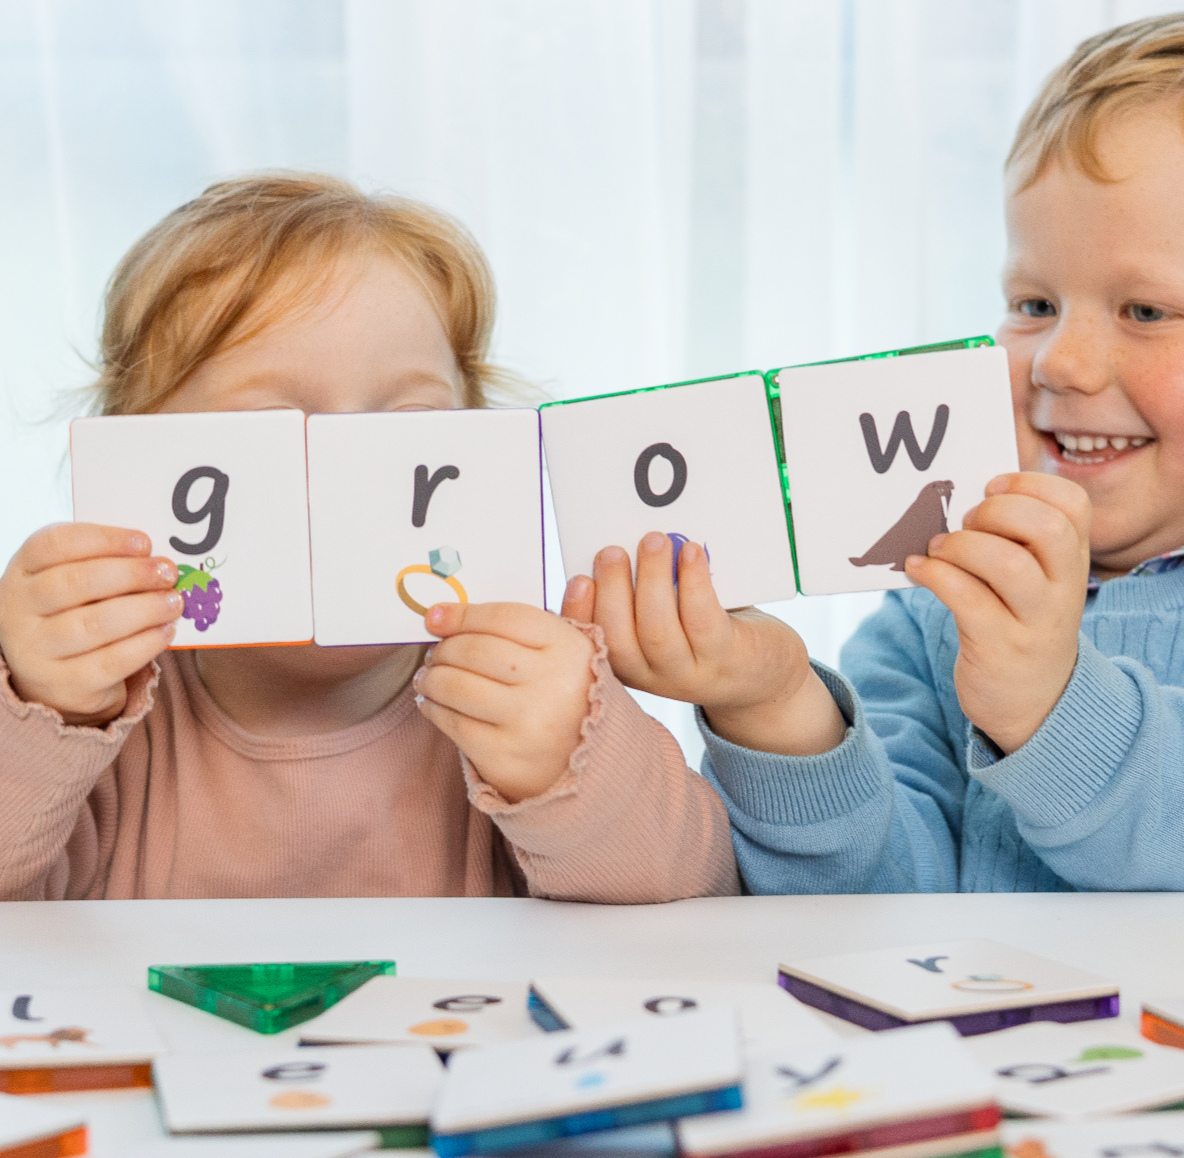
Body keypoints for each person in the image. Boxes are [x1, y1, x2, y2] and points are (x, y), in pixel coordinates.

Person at [569, 4, 1184, 894]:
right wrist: (775, 709)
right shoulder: (935, 606)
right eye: (1033, 305)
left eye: (1144, 311)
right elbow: (875, 895)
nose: (1059, 362)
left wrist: (1052, 708)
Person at [0, 173, 737, 902]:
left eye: (407, 422)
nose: (355, 475)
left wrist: (569, 763)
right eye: (274, 426)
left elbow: (690, 897)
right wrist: (39, 704)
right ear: (131, 471)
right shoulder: (90, 712)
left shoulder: (523, 677)